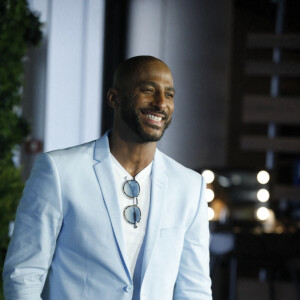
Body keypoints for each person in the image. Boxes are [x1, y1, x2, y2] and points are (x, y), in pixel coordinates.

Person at [3, 56, 212, 299]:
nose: (160, 103)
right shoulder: (59, 171)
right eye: (148, 90)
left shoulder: (189, 186)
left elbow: (194, 289)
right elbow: (24, 274)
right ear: (114, 97)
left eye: (169, 95)